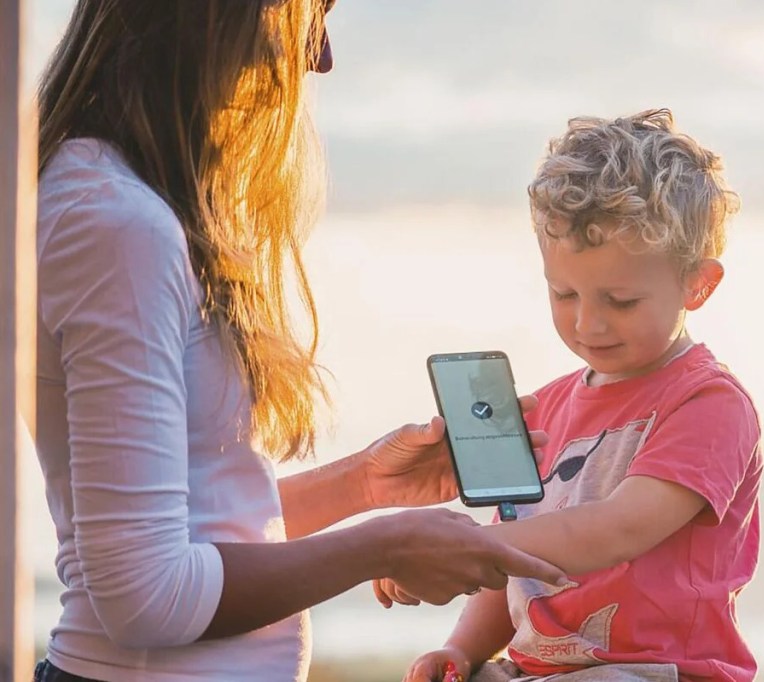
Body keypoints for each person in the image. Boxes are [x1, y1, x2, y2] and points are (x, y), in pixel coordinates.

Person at [31, 1, 566, 681]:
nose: (321, 56)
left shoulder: (125, 204)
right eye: (310, 11)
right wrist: (387, 546)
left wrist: (365, 484)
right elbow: (145, 594)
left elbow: (195, 528)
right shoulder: (113, 223)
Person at [376, 109, 763, 682]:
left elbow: (618, 529)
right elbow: (520, 571)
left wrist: (463, 547)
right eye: (564, 294)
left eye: (621, 300)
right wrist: (461, 649)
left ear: (696, 284)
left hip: (653, 672)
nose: (589, 323)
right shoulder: (547, 408)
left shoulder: (708, 404)